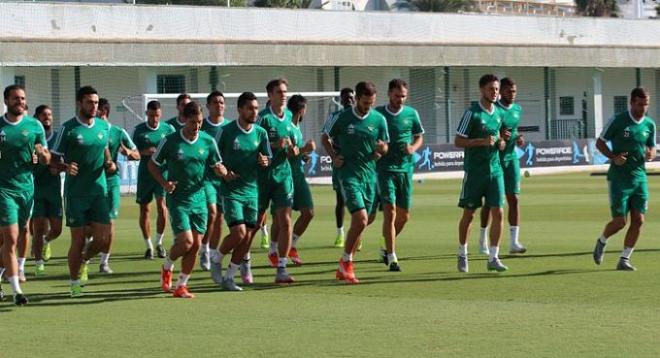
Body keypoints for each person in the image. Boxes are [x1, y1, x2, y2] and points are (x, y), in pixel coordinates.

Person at [151, 101, 226, 298]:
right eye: (193, 122)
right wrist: (164, 183)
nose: (197, 127)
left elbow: (218, 165)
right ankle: (167, 266)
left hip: (199, 199)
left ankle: (181, 285)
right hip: (178, 199)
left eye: (200, 122)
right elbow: (153, 165)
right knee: (185, 242)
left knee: (194, 246)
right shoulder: (170, 141)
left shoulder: (208, 141)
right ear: (184, 120)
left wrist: (221, 171)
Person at [51, 85, 115, 297]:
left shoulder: (104, 127)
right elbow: (52, 161)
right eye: (89, 102)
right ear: (79, 104)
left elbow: (105, 149)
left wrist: (110, 163)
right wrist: (65, 167)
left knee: (103, 240)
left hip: (99, 192)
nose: (94, 106)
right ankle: (74, 283)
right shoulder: (67, 129)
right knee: (77, 240)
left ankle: (85, 259)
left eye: (96, 102)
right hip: (75, 194)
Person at [323, 81, 388, 284]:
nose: (368, 106)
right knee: (360, 219)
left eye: (371, 102)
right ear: (357, 98)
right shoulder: (342, 118)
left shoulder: (378, 119)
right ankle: (347, 263)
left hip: (369, 175)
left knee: (367, 220)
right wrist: (334, 157)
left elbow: (385, 145)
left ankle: (344, 263)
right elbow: (325, 137)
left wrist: (381, 149)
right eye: (365, 102)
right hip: (348, 174)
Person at [210, 92, 271, 291]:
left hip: (252, 191)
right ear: (240, 110)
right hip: (231, 191)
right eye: (250, 108)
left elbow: (267, 157)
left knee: (247, 238)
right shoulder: (226, 132)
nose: (254, 111)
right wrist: (223, 171)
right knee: (239, 233)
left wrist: (265, 161)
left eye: (256, 108)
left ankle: (230, 277)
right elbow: (213, 157)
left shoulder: (260, 133)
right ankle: (217, 259)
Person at [592, 87, 656, 271]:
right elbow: (600, 142)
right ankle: (602, 241)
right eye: (640, 104)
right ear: (632, 102)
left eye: (646, 104)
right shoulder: (619, 121)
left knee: (639, 220)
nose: (643, 108)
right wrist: (613, 157)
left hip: (639, 177)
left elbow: (652, 147)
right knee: (620, 222)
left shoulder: (650, 125)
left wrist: (650, 154)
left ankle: (624, 259)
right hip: (619, 178)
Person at [0, 85, 50, 305]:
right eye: (15, 98)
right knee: (10, 238)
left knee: (21, 233)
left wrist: (42, 155)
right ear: (6, 101)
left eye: (22, 98)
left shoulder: (34, 125)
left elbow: (46, 157)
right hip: (3, 189)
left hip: (26, 189)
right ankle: (16, 291)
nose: (20, 101)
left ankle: (12, 270)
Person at [454, 74, 509, 274]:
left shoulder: (499, 113)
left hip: (495, 171)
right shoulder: (472, 113)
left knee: (499, 212)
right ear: (482, 90)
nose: (494, 93)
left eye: (496, 89)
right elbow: (458, 141)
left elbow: (500, 139)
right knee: (469, 214)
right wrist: (481, 142)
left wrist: (501, 143)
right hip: (475, 172)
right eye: (491, 89)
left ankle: (493, 257)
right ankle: (462, 252)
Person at [375, 79, 424, 272]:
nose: (400, 99)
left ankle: (385, 244)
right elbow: (369, 136)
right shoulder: (378, 114)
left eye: (403, 96)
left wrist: (413, 147)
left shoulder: (412, 114)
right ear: (389, 94)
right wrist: (377, 148)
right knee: (390, 211)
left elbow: (419, 135)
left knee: (404, 216)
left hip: (405, 169)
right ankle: (392, 257)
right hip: (385, 169)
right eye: (397, 96)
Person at [254, 78, 297, 284]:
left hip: (283, 175)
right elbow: (252, 146)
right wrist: (274, 144)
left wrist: (294, 149)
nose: (284, 95)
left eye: (285, 91)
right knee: (254, 223)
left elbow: (290, 144)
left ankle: (281, 268)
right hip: (262, 177)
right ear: (270, 96)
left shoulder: (289, 115)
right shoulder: (262, 119)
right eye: (279, 92)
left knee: (285, 220)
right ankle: (242, 261)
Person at [478, 78, 527, 255]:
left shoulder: (517, 109)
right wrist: (500, 137)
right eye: (508, 91)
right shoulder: (495, 109)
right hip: (495, 159)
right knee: (491, 202)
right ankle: (483, 238)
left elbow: (513, 130)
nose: (511, 94)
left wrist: (518, 138)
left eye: (514, 91)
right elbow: (492, 133)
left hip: (511, 159)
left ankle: (514, 242)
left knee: (514, 198)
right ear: (501, 92)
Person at [269, 95, 315, 266]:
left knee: (308, 212)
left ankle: (291, 245)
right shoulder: (287, 126)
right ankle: (273, 250)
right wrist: (305, 148)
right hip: (283, 175)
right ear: (302, 110)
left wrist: (304, 155)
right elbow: (289, 153)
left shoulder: (296, 127)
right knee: (281, 218)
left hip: (298, 174)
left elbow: (295, 152)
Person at [96, 98, 140, 273]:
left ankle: (104, 262)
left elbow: (137, 154)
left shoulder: (118, 132)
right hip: (91, 181)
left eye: (96, 109)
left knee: (110, 222)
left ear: (103, 112)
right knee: (91, 225)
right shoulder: (88, 131)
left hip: (111, 181)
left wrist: (127, 152)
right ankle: (88, 248)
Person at [132, 101, 174, 259]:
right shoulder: (139, 130)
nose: (154, 119)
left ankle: (159, 243)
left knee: (162, 206)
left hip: (162, 174)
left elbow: (174, 149)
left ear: (160, 114)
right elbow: (133, 152)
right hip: (145, 175)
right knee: (145, 209)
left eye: (156, 115)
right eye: (151, 115)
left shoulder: (168, 129)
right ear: (146, 114)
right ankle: (148, 246)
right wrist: (145, 151)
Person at [199, 90, 230, 272]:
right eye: (216, 102)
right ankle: (204, 249)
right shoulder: (201, 127)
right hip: (207, 179)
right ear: (208, 106)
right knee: (212, 213)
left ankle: (210, 252)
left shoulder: (229, 127)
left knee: (219, 219)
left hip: (225, 180)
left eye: (222, 102)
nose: (219, 105)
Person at [321, 88, 355, 248]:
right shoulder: (335, 117)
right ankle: (340, 233)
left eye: (350, 97)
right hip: (341, 164)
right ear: (341, 101)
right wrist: (334, 157)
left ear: (355, 99)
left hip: (358, 165)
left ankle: (357, 234)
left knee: (361, 200)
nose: (348, 100)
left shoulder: (361, 117)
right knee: (341, 200)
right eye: (345, 98)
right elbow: (324, 137)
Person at [32, 105, 63, 277]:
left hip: (54, 189)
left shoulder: (58, 137)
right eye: (44, 115)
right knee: (38, 227)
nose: (47, 118)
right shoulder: (32, 137)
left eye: (49, 115)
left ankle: (45, 242)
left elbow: (64, 161)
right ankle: (38, 263)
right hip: (36, 188)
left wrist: (58, 168)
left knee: (57, 229)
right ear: (36, 117)